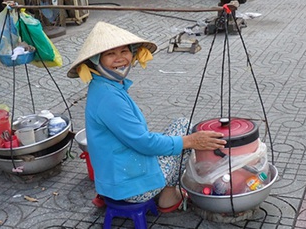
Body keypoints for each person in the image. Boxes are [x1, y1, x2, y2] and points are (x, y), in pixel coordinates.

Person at [67, 22, 226, 211]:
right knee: (184, 139)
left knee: (181, 125)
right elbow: (144, 143)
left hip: (118, 175)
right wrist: (191, 141)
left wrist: (185, 140)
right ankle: (167, 195)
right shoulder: (109, 97)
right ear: (96, 60)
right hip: (130, 189)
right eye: (110, 54)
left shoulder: (105, 86)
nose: (120, 59)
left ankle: (165, 191)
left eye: (124, 51)